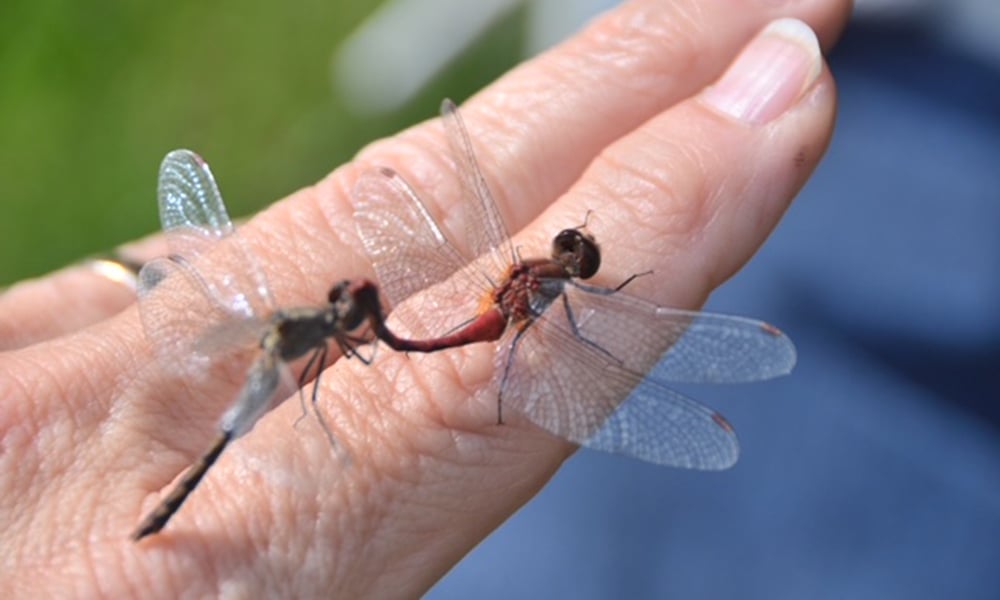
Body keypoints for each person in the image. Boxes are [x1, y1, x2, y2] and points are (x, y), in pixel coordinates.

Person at [0, 0, 848, 596]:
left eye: (570, 257)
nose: (568, 260)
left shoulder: (522, 279)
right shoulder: (538, 289)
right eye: (572, 256)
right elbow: (549, 335)